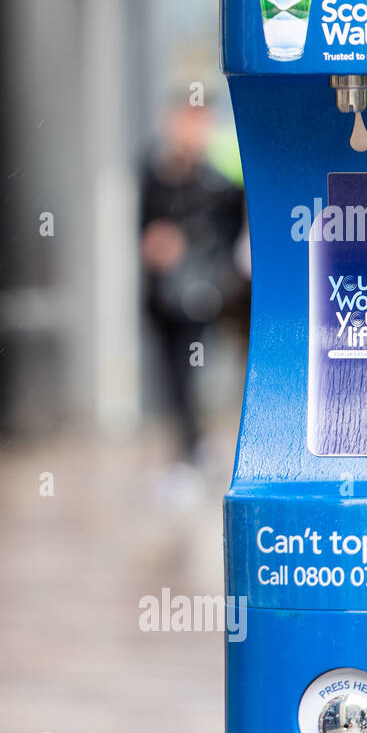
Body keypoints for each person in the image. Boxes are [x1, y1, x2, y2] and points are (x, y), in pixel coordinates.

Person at [138, 103, 246, 469]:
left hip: (201, 294)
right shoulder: (155, 175)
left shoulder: (219, 184)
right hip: (163, 295)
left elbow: (227, 237)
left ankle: (196, 442)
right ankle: (190, 442)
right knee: (173, 374)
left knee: (193, 369)